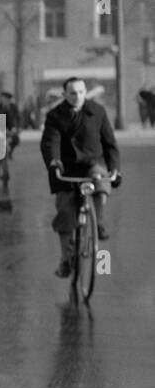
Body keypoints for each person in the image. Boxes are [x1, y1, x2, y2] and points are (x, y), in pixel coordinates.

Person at [41, 77, 122, 278]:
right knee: (66, 214)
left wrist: (115, 168)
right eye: (72, 93)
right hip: (66, 169)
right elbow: (51, 142)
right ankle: (66, 259)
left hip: (92, 163)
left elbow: (110, 142)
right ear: (64, 95)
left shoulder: (97, 111)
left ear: (86, 92)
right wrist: (54, 161)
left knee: (101, 180)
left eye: (81, 92)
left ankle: (99, 222)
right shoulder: (55, 116)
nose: (77, 96)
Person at [0, 90, 19, 184]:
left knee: (15, 140)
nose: (5, 100)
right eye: (3, 99)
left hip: (10, 131)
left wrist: (15, 129)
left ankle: (10, 151)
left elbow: (16, 119)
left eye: (7, 99)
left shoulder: (13, 107)